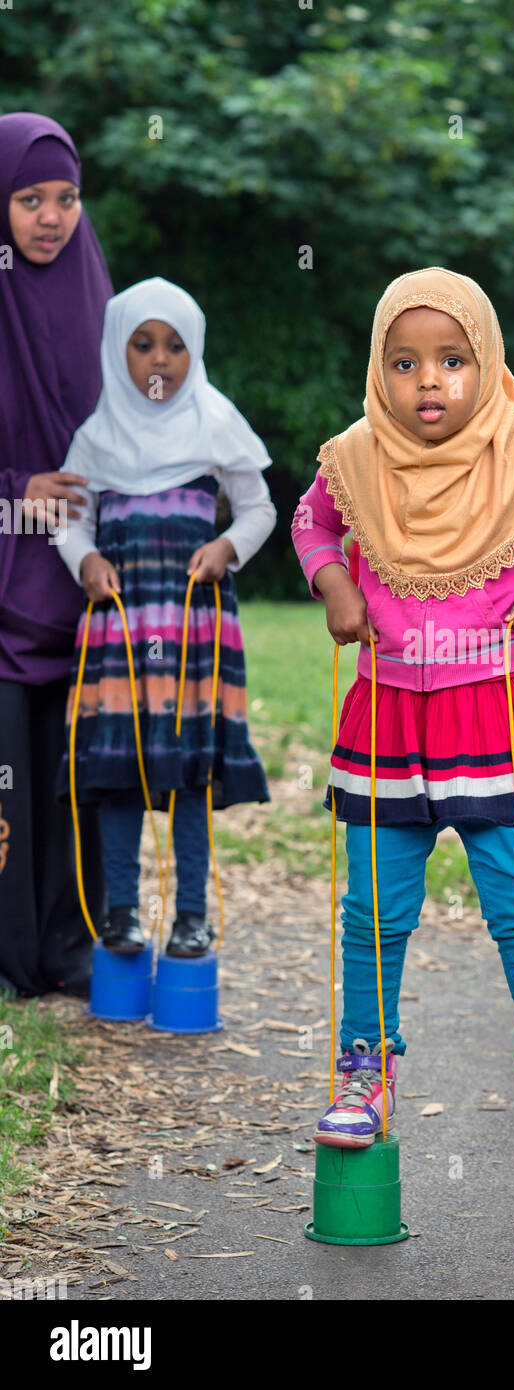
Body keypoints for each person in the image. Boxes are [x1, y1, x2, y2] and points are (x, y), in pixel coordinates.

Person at [292, 267, 514, 1161]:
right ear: (377, 372)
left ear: (486, 362)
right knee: (374, 911)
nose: (428, 381)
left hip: (502, 715)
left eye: (452, 360)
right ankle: (363, 1071)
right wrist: (335, 580)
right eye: (403, 362)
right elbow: (310, 523)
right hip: (389, 717)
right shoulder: (353, 456)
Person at [56, 279, 275, 957]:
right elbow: (68, 521)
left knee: (186, 773)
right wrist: (85, 560)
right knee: (120, 770)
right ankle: (121, 912)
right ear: (116, 352)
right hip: (119, 632)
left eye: (175, 347)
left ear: (196, 349)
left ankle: (190, 916)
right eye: (143, 346)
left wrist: (226, 547)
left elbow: (259, 508)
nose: (160, 361)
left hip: (192, 631)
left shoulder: (216, 422)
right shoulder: (96, 437)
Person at [0, 113, 113, 998]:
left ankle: (70, 950)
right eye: (29, 199)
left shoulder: (97, 300)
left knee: (73, 775)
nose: (51, 218)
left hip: (82, 580)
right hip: (3, 577)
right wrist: (15, 488)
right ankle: (5, 958)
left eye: (66, 198)